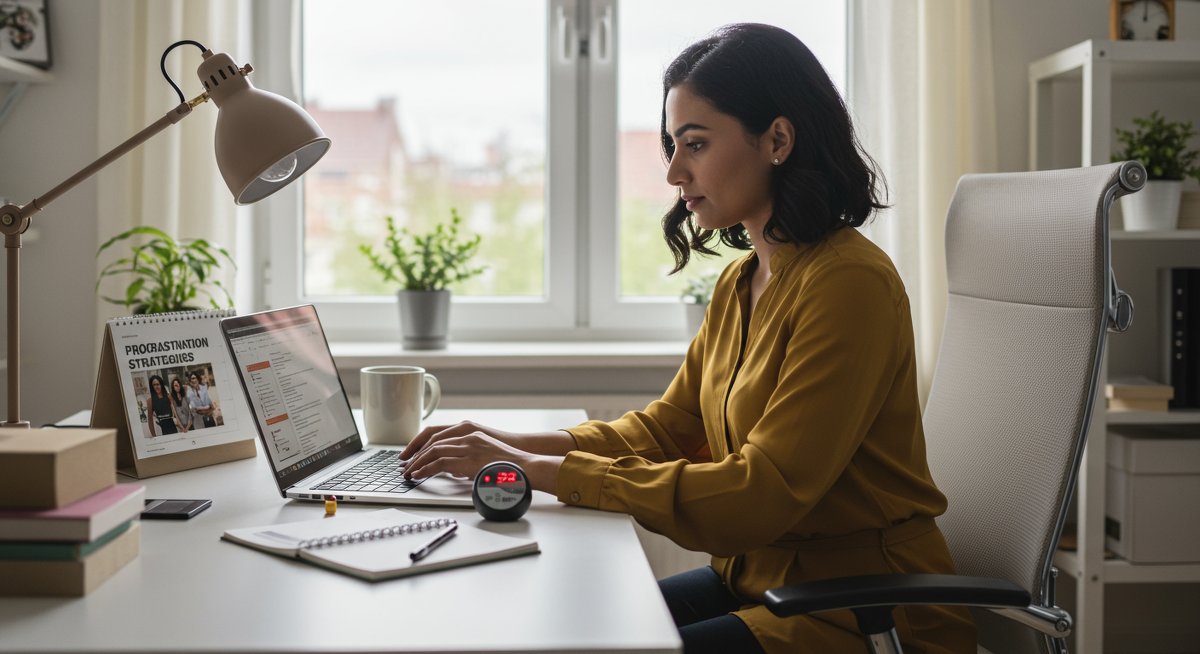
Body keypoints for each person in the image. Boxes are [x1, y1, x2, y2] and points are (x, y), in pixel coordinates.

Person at [400, 23, 975, 653]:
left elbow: (762, 494)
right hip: (762, 582)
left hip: (866, 609)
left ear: (777, 139)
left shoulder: (850, 285)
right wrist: (502, 444)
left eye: (695, 144)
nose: (675, 172)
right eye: (673, 146)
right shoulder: (741, 281)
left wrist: (541, 472)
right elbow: (664, 430)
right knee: (566, 629)